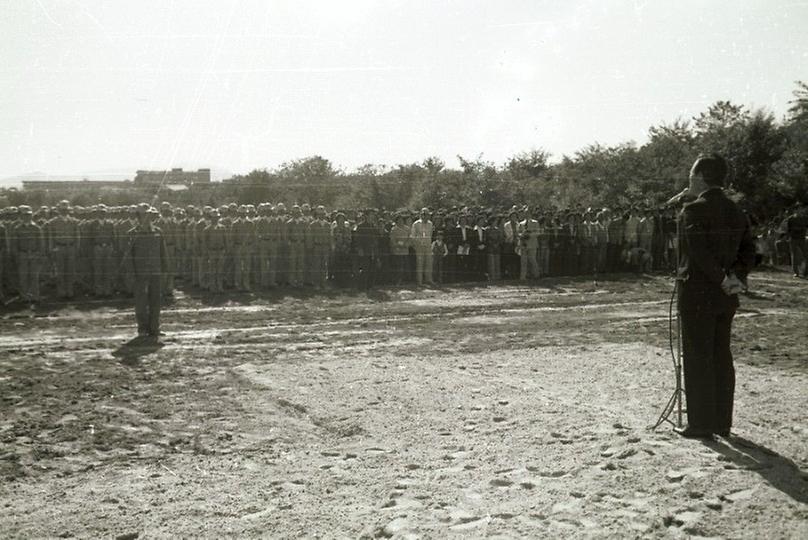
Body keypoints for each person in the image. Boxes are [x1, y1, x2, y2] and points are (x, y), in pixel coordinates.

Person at [675, 154, 756, 438]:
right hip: (726, 296)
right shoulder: (737, 211)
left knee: (698, 357)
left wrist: (721, 278)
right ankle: (722, 421)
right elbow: (749, 251)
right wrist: (735, 278)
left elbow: (698, 253)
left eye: (690, 175)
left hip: (699, 294)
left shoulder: (693, 211)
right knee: (721, 355)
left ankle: (701, 423)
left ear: (699, 177)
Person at [125, 205, 168, 341]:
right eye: (145, 215)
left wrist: (165, 268)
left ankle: (154, 328)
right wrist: (131, 273)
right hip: (140, 272)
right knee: (141, 301)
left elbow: (163, 252)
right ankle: (142, 328)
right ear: (139, 216)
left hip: (155, 271)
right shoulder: (132, 233)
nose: (148, 218)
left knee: (156, 300)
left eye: (150, 215)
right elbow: (128, 256)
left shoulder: (158, 232)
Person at [410, 208, 434, 286]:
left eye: (427, 214)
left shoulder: (430, 224)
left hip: (428, 246)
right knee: (420, 264)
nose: (425, 216)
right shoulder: (416, 224)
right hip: (419, 246)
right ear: (421, 215)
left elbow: (430, 235)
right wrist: (419, 242)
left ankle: (428, 279)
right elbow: (413, 236)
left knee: (429, 263)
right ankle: (419, 281)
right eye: (423, 214)